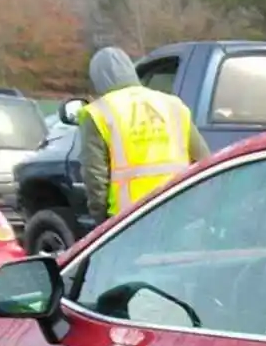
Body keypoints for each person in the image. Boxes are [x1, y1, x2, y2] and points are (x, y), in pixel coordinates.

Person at [79, 47, 209, 225]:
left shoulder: (98, 112)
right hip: (178, 210)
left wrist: (101, 222)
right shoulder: (173, 105)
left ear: (97, 80)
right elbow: (204, 160)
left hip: (129, 220)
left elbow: (95, 178)